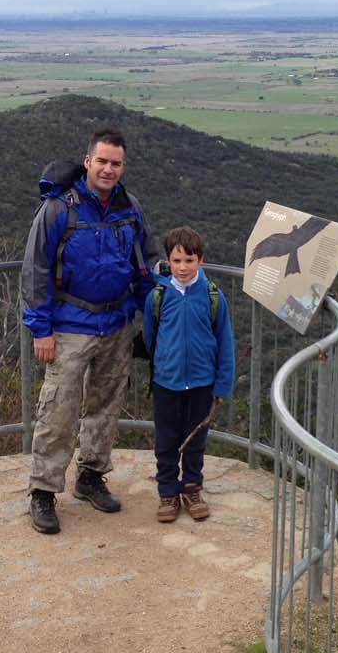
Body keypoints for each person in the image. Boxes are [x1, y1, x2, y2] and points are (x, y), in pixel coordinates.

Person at [21, 126, 158, 535]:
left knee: (105, 406)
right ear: (87, 162)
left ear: (123, 166)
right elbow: (35, 270)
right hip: (69, 326)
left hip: (117, 323)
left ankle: (91, 476)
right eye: (102, 161)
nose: (108, 169)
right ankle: (44, 491)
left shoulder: (130, 208)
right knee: (59, 410)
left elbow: (146, 264)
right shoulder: (58, 209)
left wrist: (152, 315)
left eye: (116, 163)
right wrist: (40, 329)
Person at [141, 226, 235, 523]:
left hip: (202, 382)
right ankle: (168, 492)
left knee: (195, 440)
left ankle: (192, 489)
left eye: (189, 261)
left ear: (200, 260)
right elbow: (150, 337)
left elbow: (225, 341)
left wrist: (222, 384)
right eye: (177, 261)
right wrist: (164, 363)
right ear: (168, 260)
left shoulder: (213, 296)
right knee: (166, 440)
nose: (183, 267)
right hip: (166, 382)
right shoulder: (157, 297)